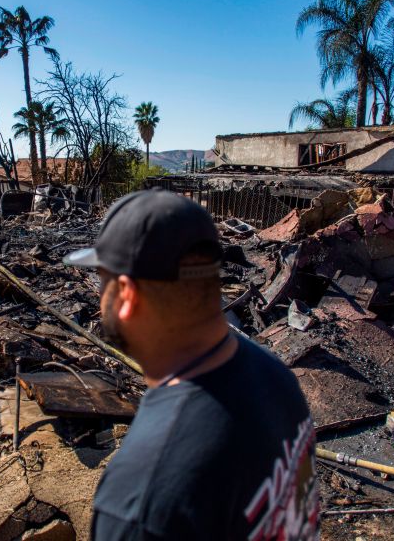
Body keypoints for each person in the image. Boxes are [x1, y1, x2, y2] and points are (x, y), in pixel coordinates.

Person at [64, 189, 319, 541]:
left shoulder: (141, 501)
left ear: (127, 295)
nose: (98, 296)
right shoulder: (277, 377)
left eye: (102, 282)